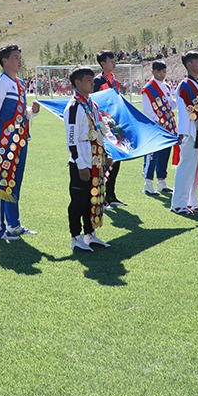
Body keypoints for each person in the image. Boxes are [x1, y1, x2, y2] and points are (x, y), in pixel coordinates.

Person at [0, 44, 41, 240]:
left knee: (14, 182)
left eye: (20, 57)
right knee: (2, 182)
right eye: (15, 57)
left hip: (19, 139)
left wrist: (32, 113)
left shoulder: (18, 82)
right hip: (5, 141)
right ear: (5, 61)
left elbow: (19, 113)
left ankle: (14, 224)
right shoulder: (0, 83)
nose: (19, 60)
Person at [63, 67, 110, 251]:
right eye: (88, 80)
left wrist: (105, 155)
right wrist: (81, 164)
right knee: (78, 201)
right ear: (77, 83)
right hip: (81, 163)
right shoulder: (74, 107)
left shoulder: (92, 104)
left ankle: (90, 234)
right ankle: (76, 237)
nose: (92, 82)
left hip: (96, 160)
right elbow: (72, 139)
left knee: (93, 198)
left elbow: (98, 131)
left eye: (92, 79)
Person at [170, 51, 198, 215]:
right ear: (189, 64)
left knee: (197, 167)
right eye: (197, 61)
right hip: (190, 132)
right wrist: (183, 133)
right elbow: (182, 111)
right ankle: (178, 204)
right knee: (186, 167)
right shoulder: (185, 86)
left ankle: (192, 202)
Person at [92, 50, 126, 208]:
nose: (114, 62)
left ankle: (111, 196)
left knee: (116, 162)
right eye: (111, 60)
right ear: (103, 64)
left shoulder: (115, 81)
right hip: (101, 128)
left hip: (113, 128)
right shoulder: (97, 82)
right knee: (103, 162)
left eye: (114, 59)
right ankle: (101, 197)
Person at [139, 60, 176, 196]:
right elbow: (147, 109)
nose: (162, 74)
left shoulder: (166, 86)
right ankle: (148, 183)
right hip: (154, 126)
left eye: (164, 71)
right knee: (152, 154)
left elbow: (170, 103)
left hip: (168, 125)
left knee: (165, 153)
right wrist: (157, 120)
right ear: (153, 71)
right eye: (159, 71)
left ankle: (162, 182)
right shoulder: (148, 88)